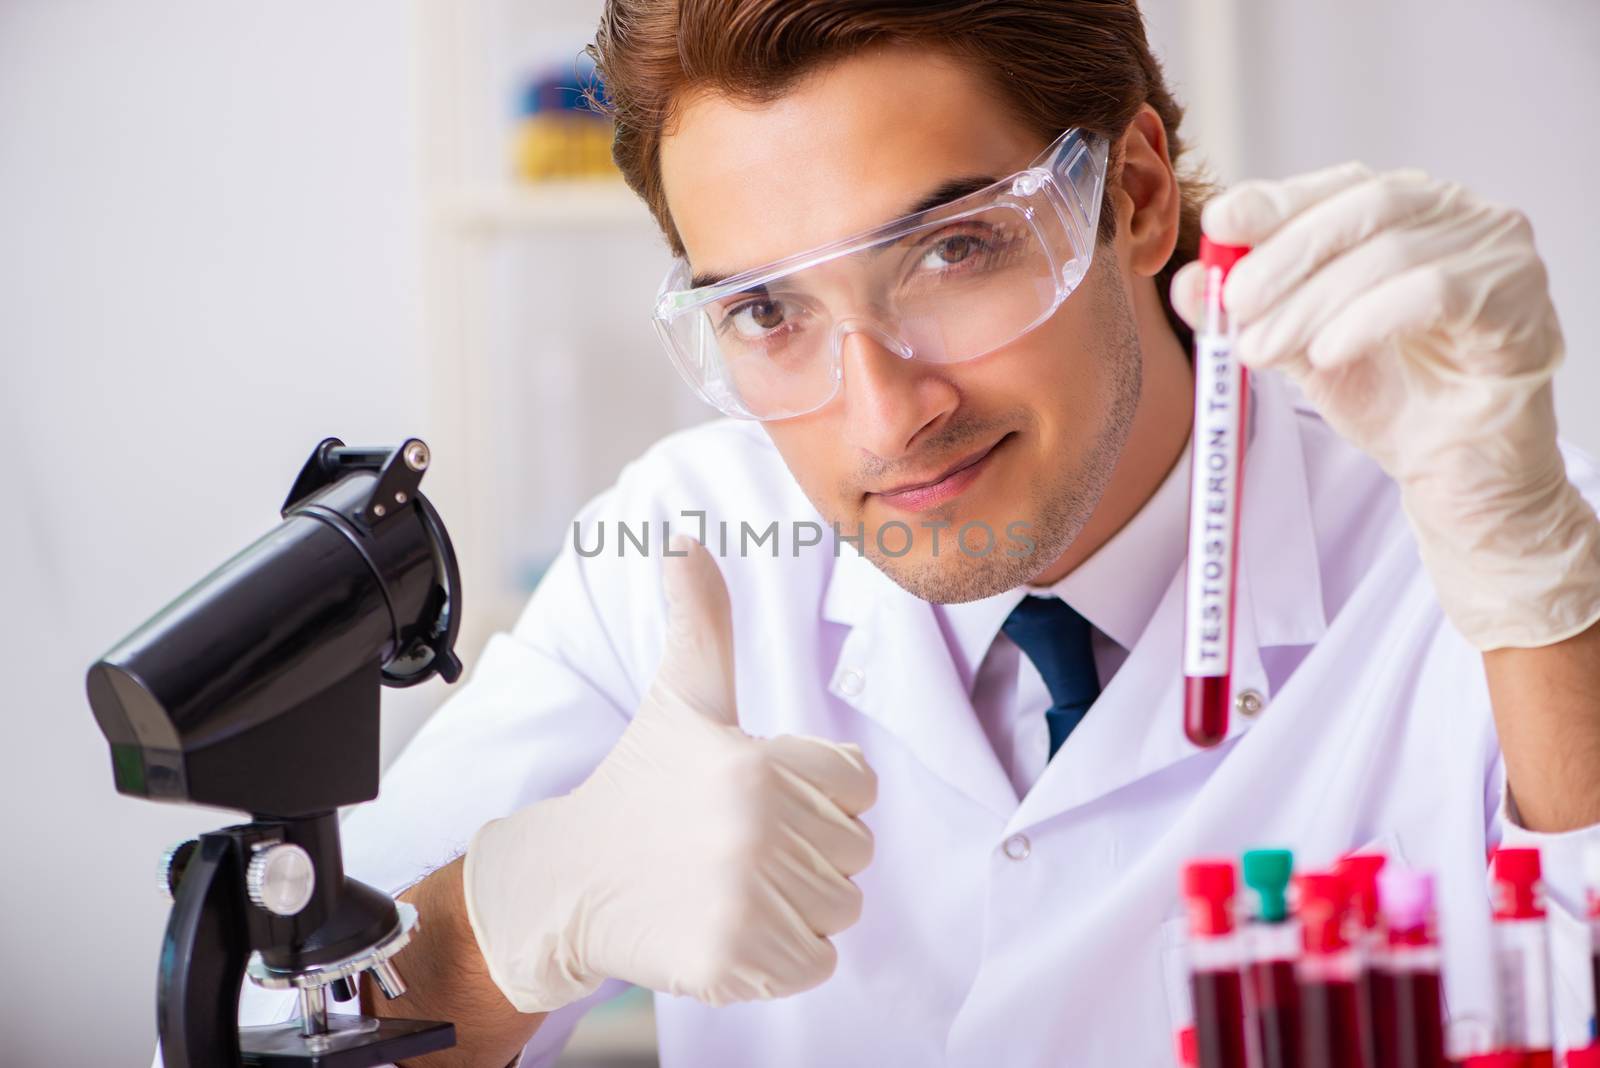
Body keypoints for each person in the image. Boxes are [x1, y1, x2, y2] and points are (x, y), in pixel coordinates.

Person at [213, 2, 1600, 1065]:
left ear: (1132, 195)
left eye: (955, 250)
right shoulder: (687, 549)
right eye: (768, 312)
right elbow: (251, 1023)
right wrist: (512, 922)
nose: (885, 414)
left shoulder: (1495, 535)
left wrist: (1547, 614)